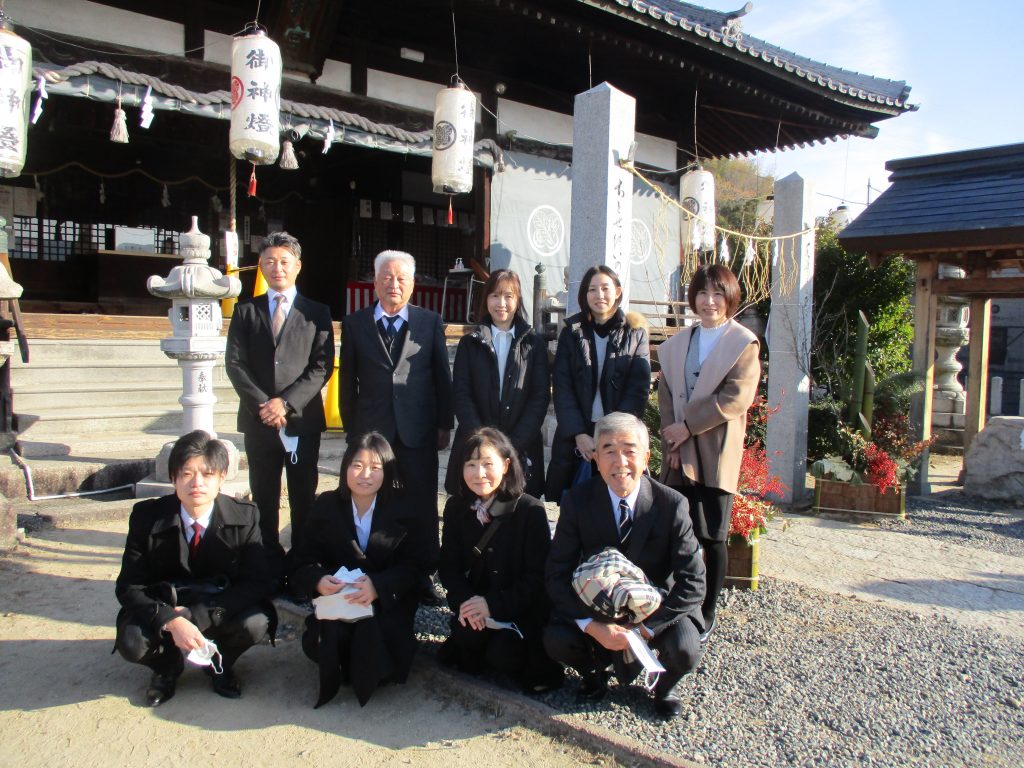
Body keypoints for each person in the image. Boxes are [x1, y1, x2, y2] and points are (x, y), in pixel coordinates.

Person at [544, 412, 706, 719]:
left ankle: (664, 687)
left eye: (629, 450)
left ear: (646, 458)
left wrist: (645, 627)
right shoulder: (578, 501)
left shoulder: (671, 504)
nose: (620, 462)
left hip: (655, 609)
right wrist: (594, 627)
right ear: (595, 458)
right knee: (556, 638)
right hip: (598, 605)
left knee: (686, 648)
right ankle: (594, 675)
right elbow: (556, 574)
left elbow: (694, 581)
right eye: (608, 450)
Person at [114, 430, 276, 707]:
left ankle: (218, 663)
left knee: (255, 623)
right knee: (131, 642)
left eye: (207, 474)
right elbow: (129, 586)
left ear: (222, 477)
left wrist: (199, 615)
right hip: (166, 605)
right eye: (187, 474)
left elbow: (258, 581)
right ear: (173, 477)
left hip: (218, 606)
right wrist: (171, 620)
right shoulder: (146, 517)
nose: (197, 483)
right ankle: (166, 668)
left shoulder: (246, 516)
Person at [339, 250, 453, 604]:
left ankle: (422, 575)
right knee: (377, 500)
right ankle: (377, 566)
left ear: (413, 284)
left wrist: (444, 423)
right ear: (374, 281)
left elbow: (441, 376)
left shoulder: (429, 321)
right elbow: (347, 381)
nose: (394, 284)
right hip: (372, 432)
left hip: (417, 428)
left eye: (402, 278)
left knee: (421, 503)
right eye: (386, 277)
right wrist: (351, 431)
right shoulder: (356, 324)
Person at [287, 431, 429, 707]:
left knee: (383, 648)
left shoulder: (407, 508)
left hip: (387, 603)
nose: (365, 474)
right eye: (357, 465)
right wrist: (318, 581)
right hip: (340, 602)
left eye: (375, 467)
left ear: (388, 471)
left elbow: (418, 566)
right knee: (323, 641)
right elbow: (302, 559)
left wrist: (378, 586)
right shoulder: (326, 505)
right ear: (345, 468)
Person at [657, 264, 760, 641]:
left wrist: (687, 427)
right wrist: (672, 441)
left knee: (712, 533)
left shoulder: (742, 342)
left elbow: (736, 397)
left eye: (718, 294)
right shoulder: (677, 343)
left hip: (715, 449)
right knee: (676, 529)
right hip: (678, 451)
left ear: (729, 298)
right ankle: (675, 600)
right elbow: (666, 394)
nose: (709, 301)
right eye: (702, 293)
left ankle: (708, 608)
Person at [225, 231, 334, 575]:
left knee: (304, 493)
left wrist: (285, 403)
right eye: (270, 261)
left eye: (284, 261)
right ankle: (267, 559)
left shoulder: (316, 312)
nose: (277, 268)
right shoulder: (246, 311)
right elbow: (235, 364)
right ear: (261, 265)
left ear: (297, 266)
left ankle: (302, 560)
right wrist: (264, 404)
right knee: (264, 492)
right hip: (258, 421)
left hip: (301, 420)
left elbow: (322, 366)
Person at [437, 427, 563, 693]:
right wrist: (468, 604)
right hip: (475, 606)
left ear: (506, 465)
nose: (478, 473)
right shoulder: (456, 507)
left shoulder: (530, 510)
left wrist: (491, 605)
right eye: (470, 464)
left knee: (503, 655)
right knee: (467, 638)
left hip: (516, 611)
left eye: (487, 464)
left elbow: (536, 579)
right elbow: (449, 567)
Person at [546, 265, 651, 503]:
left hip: (617, 438)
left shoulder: (635, 334)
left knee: (614, 501)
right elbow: (562, 386)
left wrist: (612, 437)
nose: (599, 295)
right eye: (592, 290)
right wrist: (579, 434)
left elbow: (638, 389)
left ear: (618, 292)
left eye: (605, 288)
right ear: (584, 295)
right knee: (574, 504)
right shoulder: (572, 332)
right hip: (578, 435)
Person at [445, 269, 550, 498]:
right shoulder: (469, 343)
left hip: (521, 446)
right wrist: (483, 443)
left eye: (508, 296)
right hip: (476, 446)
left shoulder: (533, 345)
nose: (501, 303)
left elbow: (539, 398)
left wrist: (512, 447)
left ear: (518, 299)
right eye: (494, 295)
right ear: (485, 299)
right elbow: (461, 394)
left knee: (518, 511)